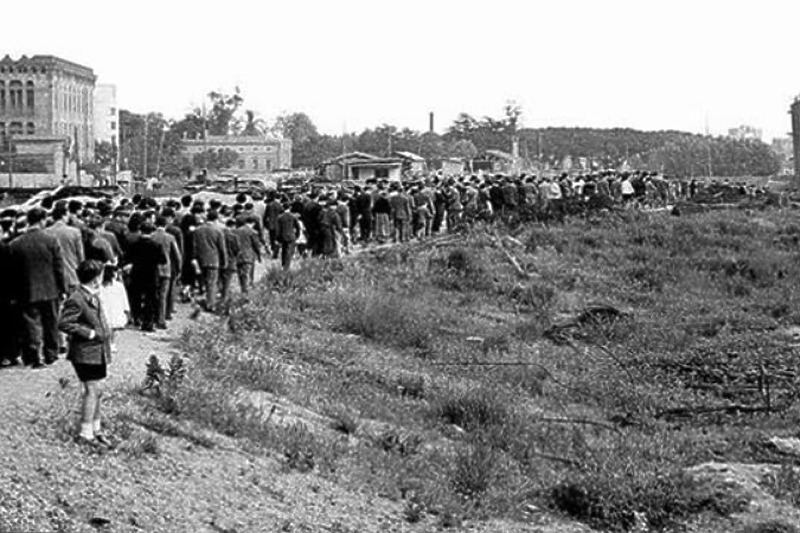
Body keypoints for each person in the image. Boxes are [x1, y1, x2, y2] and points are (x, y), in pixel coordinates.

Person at [59, 260, 113, 447]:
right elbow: (65, 323)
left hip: (97, 352)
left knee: (98, 390)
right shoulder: (77, 298)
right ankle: (85, 433)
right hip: (85, 352)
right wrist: (89, 333)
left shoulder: (91, 296)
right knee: (91, 390)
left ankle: (95, 429)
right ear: (96, 277)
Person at [10, 207, 66, 368]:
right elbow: (59, 267)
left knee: (31, 324)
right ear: (42, 220)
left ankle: (35, 356)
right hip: (50, 288)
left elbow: (12, 272)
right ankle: (51, 353)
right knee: (51, 322)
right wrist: (62, 288)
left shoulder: (16, 243)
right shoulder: (51, 240)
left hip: (26, 290)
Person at [193, 211, 227, 312]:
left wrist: (195, 259)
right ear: (216, 219)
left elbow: (194, 247)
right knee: (212, 282)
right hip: (213, 259)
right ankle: (210, 304)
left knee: (204, 281)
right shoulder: (218, 231)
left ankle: (206, 298)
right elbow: (222, 248)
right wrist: (224, 261)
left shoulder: (197, 230)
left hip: (200, 259)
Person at [275, 203, 301, 270]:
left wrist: (277, 238)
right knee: (289, 251)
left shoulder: (280, 217)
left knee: (284, 250)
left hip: (283, 236)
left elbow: (278, 229)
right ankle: (286, 266)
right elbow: (297, 227)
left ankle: (283, 264)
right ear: (290, 208)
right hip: (291, 235)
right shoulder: (293, 216)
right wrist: (297, 235)